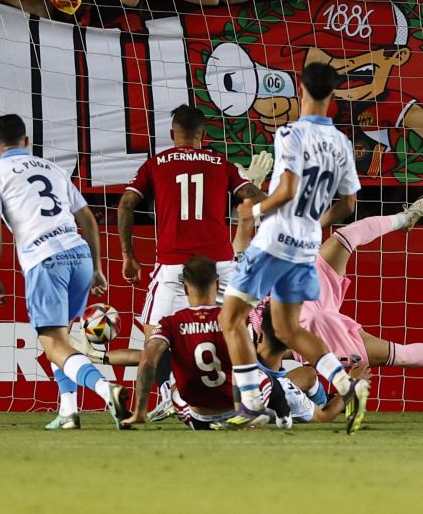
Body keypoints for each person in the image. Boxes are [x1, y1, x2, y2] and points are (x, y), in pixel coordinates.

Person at [243, 189, 423, 424]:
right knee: (398, 356)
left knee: (345, 236)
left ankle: (405, 219)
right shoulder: (279, 366)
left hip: (297, 296)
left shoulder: (242, 335)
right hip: (316, 328)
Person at [217, 62, 368, 431]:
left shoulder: (290, 132)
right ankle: (347, 385)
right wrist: (312, 223)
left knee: (230, 319)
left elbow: (285, 190)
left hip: (276, 238)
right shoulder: (341, 143)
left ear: (300, 90)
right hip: (305, 244)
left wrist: (252, 209)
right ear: (332, 96)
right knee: (287, 330)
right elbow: (349, 206)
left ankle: (252, 405)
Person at [0, 112, 131, 430]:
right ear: (27, 142)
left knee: (53, 344)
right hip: (79, 254)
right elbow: (87, 218)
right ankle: (68, 411)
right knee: (62, 340)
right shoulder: (54, 169)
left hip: (44, 259)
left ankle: (106, 390)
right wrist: (98, 268)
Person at [116, 104, 260, 338]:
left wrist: (127, 255)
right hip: (221, 266)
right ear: (202, 135)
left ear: (172, 134)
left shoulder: (156, 163)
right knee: (237, 337)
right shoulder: (222, 164)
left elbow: (125, 205)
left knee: (155, 342)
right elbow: (257, 200)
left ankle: (164, 376)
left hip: (173, 265)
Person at [130, 254, 236, 428]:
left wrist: (140, 412)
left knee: (173, 388)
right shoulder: (233, 320)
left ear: (185, 289)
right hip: (235, 407)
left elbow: (148, 361)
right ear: (217, 285)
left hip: (198, 418)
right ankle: (282, 411)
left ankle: (171, 399)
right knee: (260, 374)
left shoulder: (170, 323)